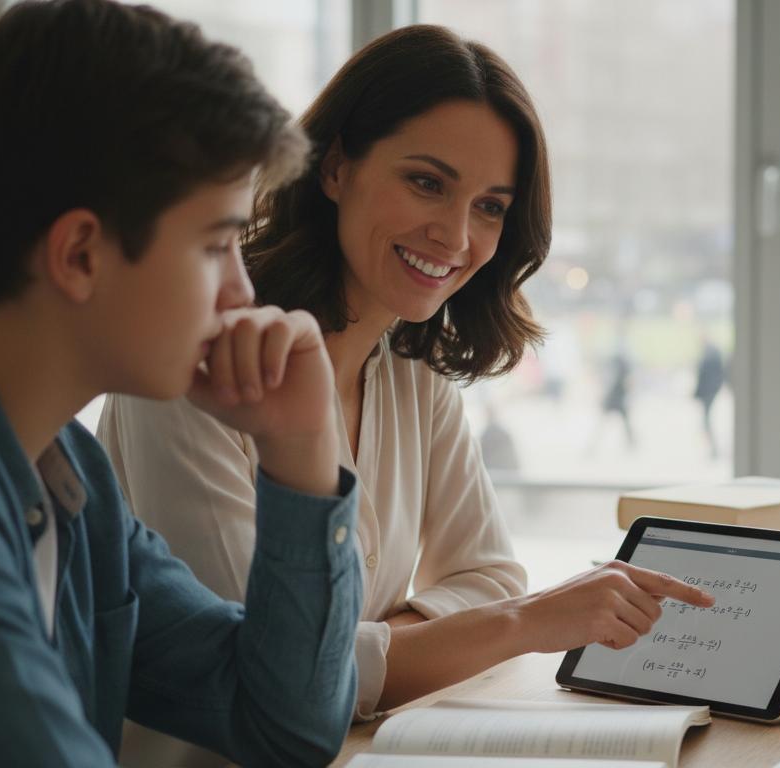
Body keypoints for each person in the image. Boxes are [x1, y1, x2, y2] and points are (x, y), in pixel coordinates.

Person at [97, 24, 715, 764]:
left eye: (490, 206)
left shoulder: (413, 373)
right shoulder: (193, 372)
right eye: (427, 182)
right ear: (335, 168)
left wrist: (381, 644)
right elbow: (266, 668)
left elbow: (489, 576)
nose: (456, 234)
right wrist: (519, 625)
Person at [0, 1, 365, 765]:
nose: (242, 295)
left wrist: (303, 451)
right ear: (80, 254)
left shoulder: (73, 479)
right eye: (217, 245)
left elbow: (288, 727)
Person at [694, 336, 726, 459]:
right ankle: (713, 449)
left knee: (706, 421)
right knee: (706, 421)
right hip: (711, 391)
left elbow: (704, 375)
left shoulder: (709, 355)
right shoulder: (713, 352)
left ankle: (714, 450)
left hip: (708, 392)